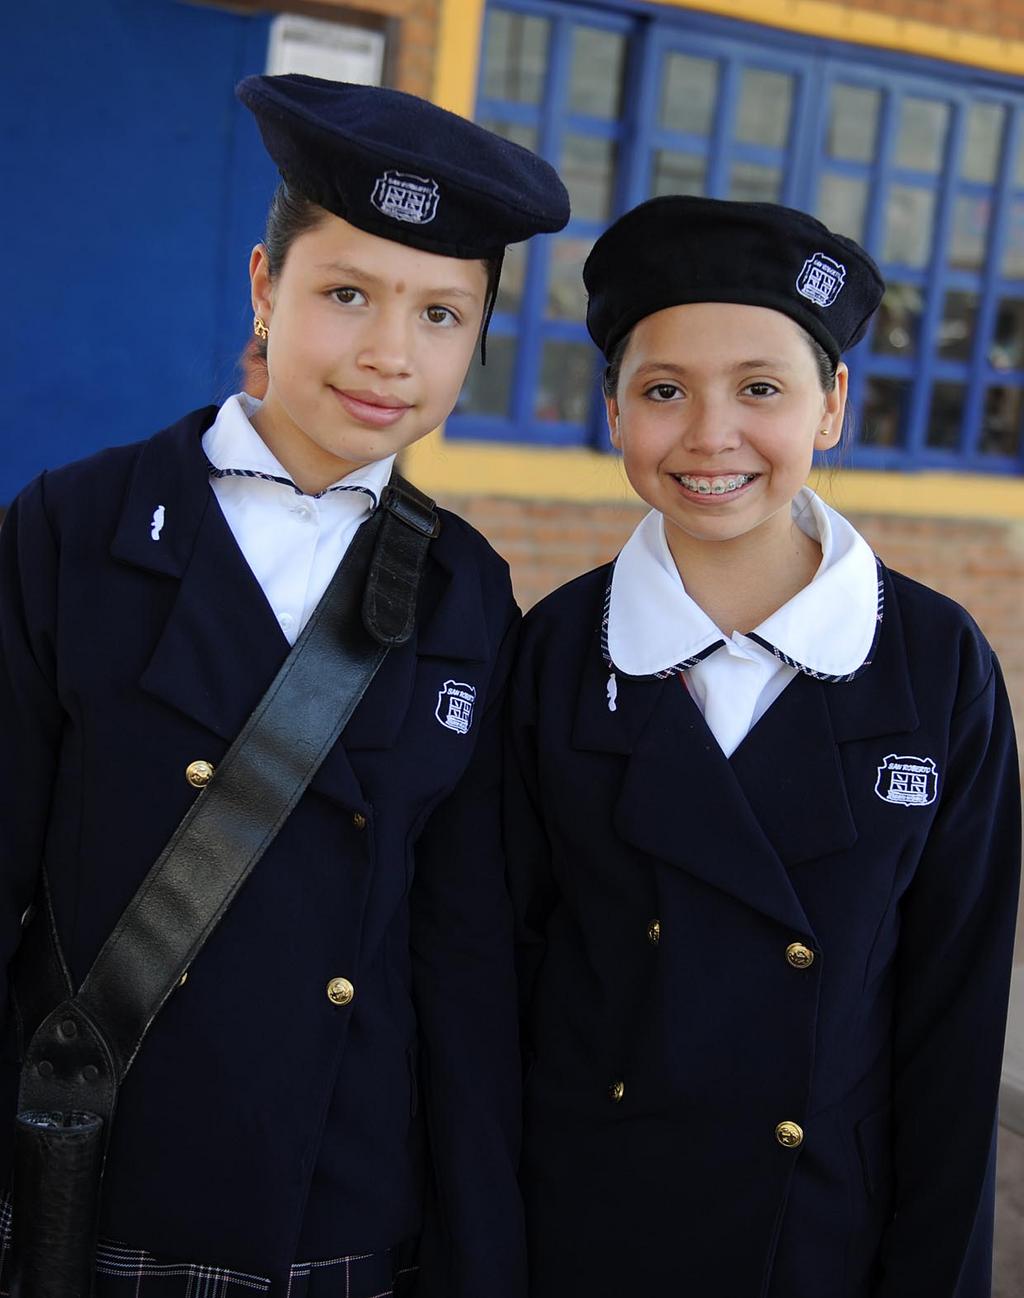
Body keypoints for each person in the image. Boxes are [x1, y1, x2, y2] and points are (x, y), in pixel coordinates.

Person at [0, 73, 568, 1297]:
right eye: (346, 293)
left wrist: (478, 1247)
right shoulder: (73, 528)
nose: (388, 354)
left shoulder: (467, 589)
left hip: (342, 1205)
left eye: (440, 314)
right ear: (265, 285)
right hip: (102, 1187)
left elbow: (462, 952)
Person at [505, 196, 1021, 1297]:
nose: (709, 435)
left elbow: (956, 1020)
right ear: (612, 411)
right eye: (663, 391)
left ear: (831, 405)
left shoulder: (937, 663)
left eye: (760, 388)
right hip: (585, 1230)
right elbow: (490, 984)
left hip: (825, 1238)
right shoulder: (552, 652)